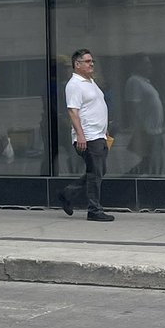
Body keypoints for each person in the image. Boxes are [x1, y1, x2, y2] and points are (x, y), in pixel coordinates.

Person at [58, 48, 114, 222]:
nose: (91, 64)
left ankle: (67, 194)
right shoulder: (74, 85)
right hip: (88, 136)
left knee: (98, 171)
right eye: (88, 61)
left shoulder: (90, 82)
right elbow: (73, 112)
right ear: (77, 64)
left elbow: (94, 107)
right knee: (95, 173)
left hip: (99, 135)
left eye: (92, 61)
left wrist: (104, 130)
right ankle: (94, 210)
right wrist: (80, 136)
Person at [124, 55, 164, 175]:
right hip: (147, 131)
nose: (150, 66)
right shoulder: (134, 81)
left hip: (156, 130)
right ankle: (126, 182)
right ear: (137, 65)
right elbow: (132, 107)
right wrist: (141, 129)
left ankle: (126, 182)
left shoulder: (145, 82)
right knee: (153, 164)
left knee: (153, 163)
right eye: (146, 63)